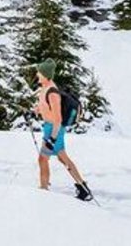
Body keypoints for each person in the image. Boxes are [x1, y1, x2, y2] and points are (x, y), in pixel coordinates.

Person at [32, 60, 92, 201]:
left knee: (43, 159)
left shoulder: (53, 92)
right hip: (50, 128)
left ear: (46, 75)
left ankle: (43, 190)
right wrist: (34, 111)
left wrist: (52, 138)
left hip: (54, 129)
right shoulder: (45, 88)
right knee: (62, 157)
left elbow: (58, 118)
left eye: (39, 73)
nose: (37, 75)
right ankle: (82, 187)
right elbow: (44, 107)